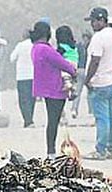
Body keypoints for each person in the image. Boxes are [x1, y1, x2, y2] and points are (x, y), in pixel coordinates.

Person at [30, 20, 77, 158]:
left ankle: (51, 151)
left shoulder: (35, 48)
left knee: (52, 120)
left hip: (45, 88)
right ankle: (51, 152)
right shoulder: (46, 49)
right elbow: (63, 64)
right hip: (55, 88)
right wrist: (73, 71)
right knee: (53, 121)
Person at [83, 6, 112, 160]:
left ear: (101, 20)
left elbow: (95, 60)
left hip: (99, 82)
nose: (92, 24)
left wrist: (87, 79)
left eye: (93, 21)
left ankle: (100, 150)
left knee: (102, 118)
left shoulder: (98, 37)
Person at [10, 30, 36, 127]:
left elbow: (12, 58)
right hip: (33, 75)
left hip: (22, 76)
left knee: (23, 99)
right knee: (32, 98)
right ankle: (30, 118)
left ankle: (27, 120)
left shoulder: (20, 45)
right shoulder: (34, 45)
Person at [71, 31, 91, 118]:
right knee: (90, 91)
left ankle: (74, 109)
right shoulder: (91, 46)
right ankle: (91, 111)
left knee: (77, 91)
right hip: (88, 70)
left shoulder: (78, 46)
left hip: (79, 69)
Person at [55, 26, 79, 101]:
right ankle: (73, 90)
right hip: (75, 62)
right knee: (72, 77)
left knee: (65, 75)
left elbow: (57, 57)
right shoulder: (73, 46)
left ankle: (68, 84)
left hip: (67, 61)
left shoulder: (62, 46)